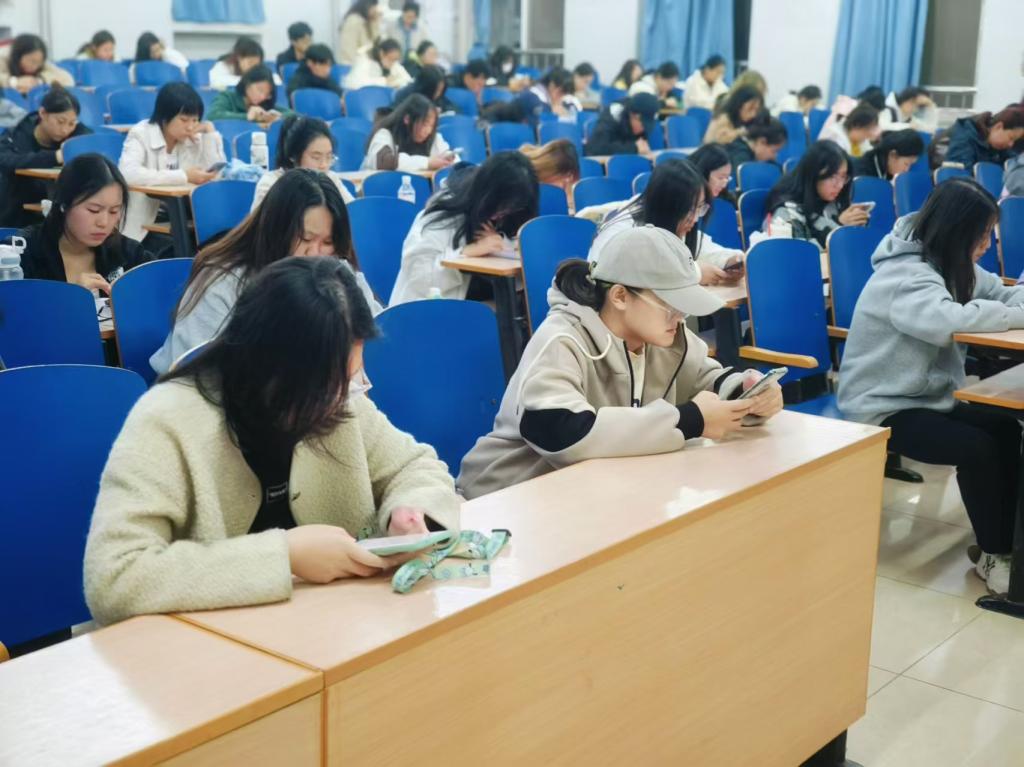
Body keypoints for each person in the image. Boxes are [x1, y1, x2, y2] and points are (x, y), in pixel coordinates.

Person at [85, 256, 460, 625]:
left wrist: (409, 511)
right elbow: (114, 577)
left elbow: (417, 466)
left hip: (329, 630)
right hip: (211, 647)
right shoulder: (168, 421)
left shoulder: (341, 400)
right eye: (328, 385)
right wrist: (286, 556)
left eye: (352, 376)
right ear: (270, 367)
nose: (343, 397)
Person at [457, 226, 783, 499]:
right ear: (620, 296)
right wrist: (690, 420)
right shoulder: (561, 339)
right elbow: (560, 432)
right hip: (509, 499)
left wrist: (748, 395)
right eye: (670, 305)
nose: (680, 317)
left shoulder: (665, 335)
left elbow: (708, 380)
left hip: (590, 495)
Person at [838, 179, 1024, 594]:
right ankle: (995, 552)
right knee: (976, 448)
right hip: (883, 406)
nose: (986, 245)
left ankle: (1005, 541)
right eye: (981, 235)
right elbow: (949, 321)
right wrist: (1014, 313)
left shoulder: (952, 264)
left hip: (928, 398)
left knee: (1006, 429)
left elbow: (1002, 294)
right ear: (958, 232)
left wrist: (1017, 304)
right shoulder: (905, 274)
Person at [151, 169, 381, 375]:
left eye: (328, 242)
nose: (315, 253)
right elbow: (199, 375)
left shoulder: (337, 272)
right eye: (305, 238)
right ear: (277, 230)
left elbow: (374, 340)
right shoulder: (222, 282)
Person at [390, 152, 538, 304]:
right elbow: (419, 277)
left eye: (510, 208)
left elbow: (514, 256)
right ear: (487, 193)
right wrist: (467, 252)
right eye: (501, 205)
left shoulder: (507, 216)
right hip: (430, 307)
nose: (501, 213)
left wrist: (499, 244)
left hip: (482, 306)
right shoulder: (443, 214)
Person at [588, 158, 743, 285]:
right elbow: (633, 277)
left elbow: (705, 250)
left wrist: (730, 261)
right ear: (667, 205)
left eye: (700, 208)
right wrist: (694, 274)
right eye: (689, 209)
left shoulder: (669, 224)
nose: (695, 218)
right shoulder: (622, 234)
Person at [14, 153, 152, 291]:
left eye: (114, 211)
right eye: (94, 210)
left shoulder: (129, 254)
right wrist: (73, 298)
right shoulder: (22, 254)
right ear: (64, 204)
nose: (103, 223)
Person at [119, 82, 225, 243]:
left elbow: (216, 175)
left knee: (217, 236)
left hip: (184, 214)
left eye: (195, 120)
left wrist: (210, 133)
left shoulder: (193, 139)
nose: (190, 127)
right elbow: (127, 174)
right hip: (147, 219)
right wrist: (184, 176)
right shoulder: (141, 133)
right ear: (165, 117)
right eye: (184, 120)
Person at [0, 87, 90, 228]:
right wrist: (55, 156)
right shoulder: (16, 135)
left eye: (71, 123)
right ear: (42, 113)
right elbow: (8, 161)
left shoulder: (77, 134)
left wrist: (75, 143)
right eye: (60, 121)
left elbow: (88, 138)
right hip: (17, 208)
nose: (65, 129)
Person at [765, 140, 869, 250]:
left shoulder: (833, 201)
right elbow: (801, 253)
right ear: (813, 175)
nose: (840, 185)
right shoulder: (786, 212)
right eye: (832, 177)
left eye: (843, 176)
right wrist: (838, 226)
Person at [251, 116, 356, 210]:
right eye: (316, 157)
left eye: (329, 157)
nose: (324, 165)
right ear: (293, 156)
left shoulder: (331, 179)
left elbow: (354, 212)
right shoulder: (270, 184)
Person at [362, 93, 452, 172]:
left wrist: (449, 158)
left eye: (431, 126)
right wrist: (427, 163)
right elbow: (383, 162)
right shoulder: (384, 133)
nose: (428, 131)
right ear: (407, 119)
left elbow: (449, 157)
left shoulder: (432, 137)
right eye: (425, 124)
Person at [207, 65, 293, 128]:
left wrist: (278, 118)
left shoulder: (265, 104)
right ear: (247, 83)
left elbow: (294, 115)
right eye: (260, 90)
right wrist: (247, 117)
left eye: (267, 94)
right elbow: (213, 115)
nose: (262, 97)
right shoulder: (227, 97)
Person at [585, 92, 659, 157]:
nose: (643, 129)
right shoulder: (610, 118)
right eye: (642, 125)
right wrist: (634, 148)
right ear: (632, 115)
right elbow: (596, 149)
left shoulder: (645, 121)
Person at [945, 107, 1024, 168]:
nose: (1011, 144)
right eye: (1011, 138)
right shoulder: (963, 138)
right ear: (998, 127)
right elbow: (959, 176)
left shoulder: (999, 148)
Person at [0, 34, 75, 94]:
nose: (34, 66)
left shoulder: (40, 62)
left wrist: (39, 81)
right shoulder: (4, 57)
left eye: (38, 62)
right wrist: (15, 82)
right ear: (18, 56)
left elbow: (67, 79)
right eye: (30, 61)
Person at [209, 37, 281, 91]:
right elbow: (217, 81)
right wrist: (252, 82)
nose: (253, 67)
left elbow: (277, 80)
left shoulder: (260, 70)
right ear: (239, 58)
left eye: (256, 64)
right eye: (250, 63)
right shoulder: (222, 66)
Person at [853, 129, 924, 180]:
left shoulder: (885, 168)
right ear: (893, 155)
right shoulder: (862, 176)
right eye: (906, 164)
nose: (906, 170)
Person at [344, 38, 412, 90]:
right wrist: (384, 81)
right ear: (381, 53)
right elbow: (356, 83)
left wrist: (398, 83)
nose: (393, 63)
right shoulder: (365, 60)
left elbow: (408, 80)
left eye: (395, 60)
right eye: (390, 59)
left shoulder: (393, 63)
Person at [338, 0, 382, 66]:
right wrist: (355, 67)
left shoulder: (368, 22)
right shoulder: (353, 20)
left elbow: (375, 43)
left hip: (365, 64)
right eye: (373, 7)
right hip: (353, 65)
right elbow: (348, 50)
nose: (375, 11)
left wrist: (375, 22)